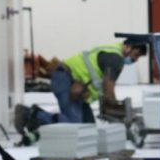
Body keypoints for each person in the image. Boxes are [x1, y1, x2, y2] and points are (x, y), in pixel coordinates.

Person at [14, 40, 147, 133]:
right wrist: (119, 116)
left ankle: (38, 117)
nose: (135, 60)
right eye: (135, 55)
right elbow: (108, 89)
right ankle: (32, 115)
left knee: (88, 129)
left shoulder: (113, 52)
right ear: (128, 47)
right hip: (65, 79)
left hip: (74, 84)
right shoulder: (115, 58)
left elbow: (103, 87)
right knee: (73, 125)